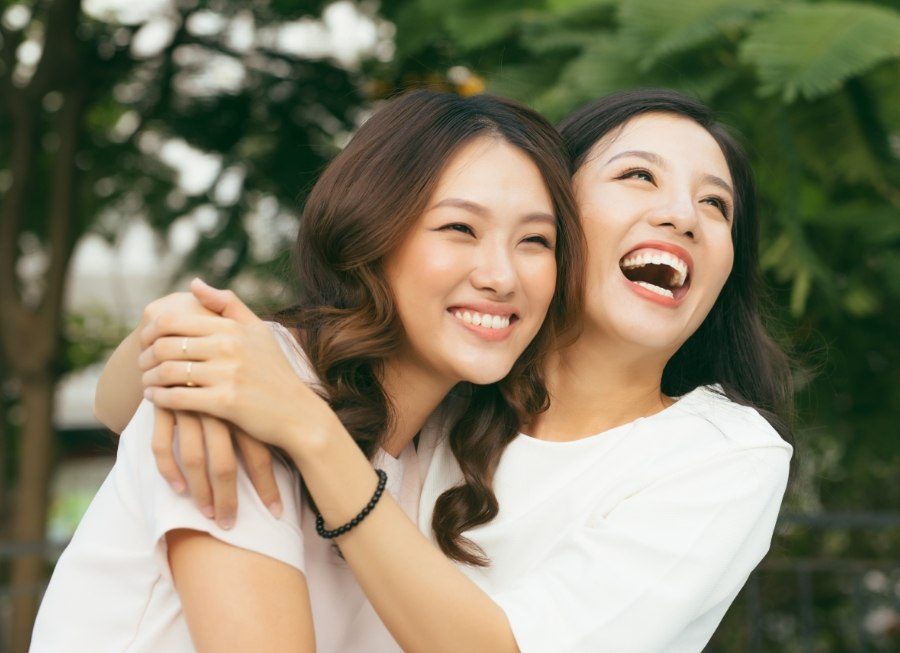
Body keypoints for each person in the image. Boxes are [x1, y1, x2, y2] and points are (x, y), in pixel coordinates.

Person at [90, 89, 793, 652]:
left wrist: (295, 420)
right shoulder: (437, 409)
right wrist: (179, 336)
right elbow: (119, 409)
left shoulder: (719, 454)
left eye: (717, 204)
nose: (683, 215)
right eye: (638, 174)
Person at [29, 89, 586, 652]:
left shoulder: (454, 448)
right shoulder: (244, 381)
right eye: (459, 229)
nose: (502, 275)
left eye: (535, 241)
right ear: (373, 236)